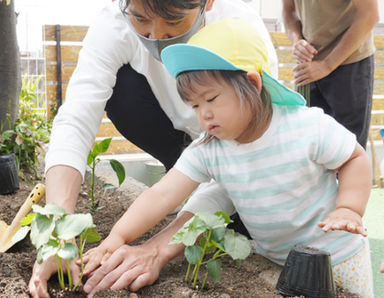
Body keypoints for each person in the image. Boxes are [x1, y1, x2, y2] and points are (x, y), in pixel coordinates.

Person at [82, 19, 374, 298]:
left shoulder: (306, 127)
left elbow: (354, 158)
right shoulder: (211, 148)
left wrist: (349, 208)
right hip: (276, 262)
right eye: (194, 105)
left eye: (211, 99)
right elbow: (161, 194)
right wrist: (116, 238)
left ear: (252, 84)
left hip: (338, 258)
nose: (203, 114)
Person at [28, 0, 278, 297]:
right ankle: (184, 178)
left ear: (207, 3)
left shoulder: (242, 37)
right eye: (140, 18)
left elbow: (243, 161)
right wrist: (60, 232)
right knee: (127, 93)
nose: (156, 36)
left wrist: (157, 249)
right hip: (187, 143)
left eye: (173, 22)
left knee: (241, 224)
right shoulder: (113, 24)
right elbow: (76, 119)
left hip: (248, 165)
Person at [282, 0, 379, 148]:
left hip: (349, 63)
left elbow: (369, 14)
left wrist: (327, 65)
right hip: (309, 65)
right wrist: (296, 40)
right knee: (309, 148)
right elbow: (289, 10)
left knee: (348, 153)